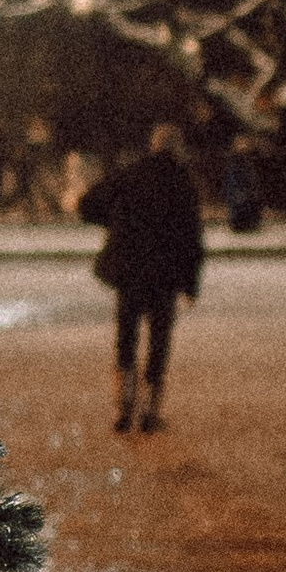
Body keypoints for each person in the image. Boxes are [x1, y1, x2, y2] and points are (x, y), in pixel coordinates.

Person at [79, 121, 205, 433]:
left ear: (153, 145)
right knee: (158, 342)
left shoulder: (131, 174)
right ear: (177, 148)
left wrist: (116, 221)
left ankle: (123, 407)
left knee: (126, 338)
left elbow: (87, 205)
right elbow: (192, 238)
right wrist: (191, 284)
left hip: (130, 270)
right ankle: (149, 411)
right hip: (165, 274)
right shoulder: (182, 182)